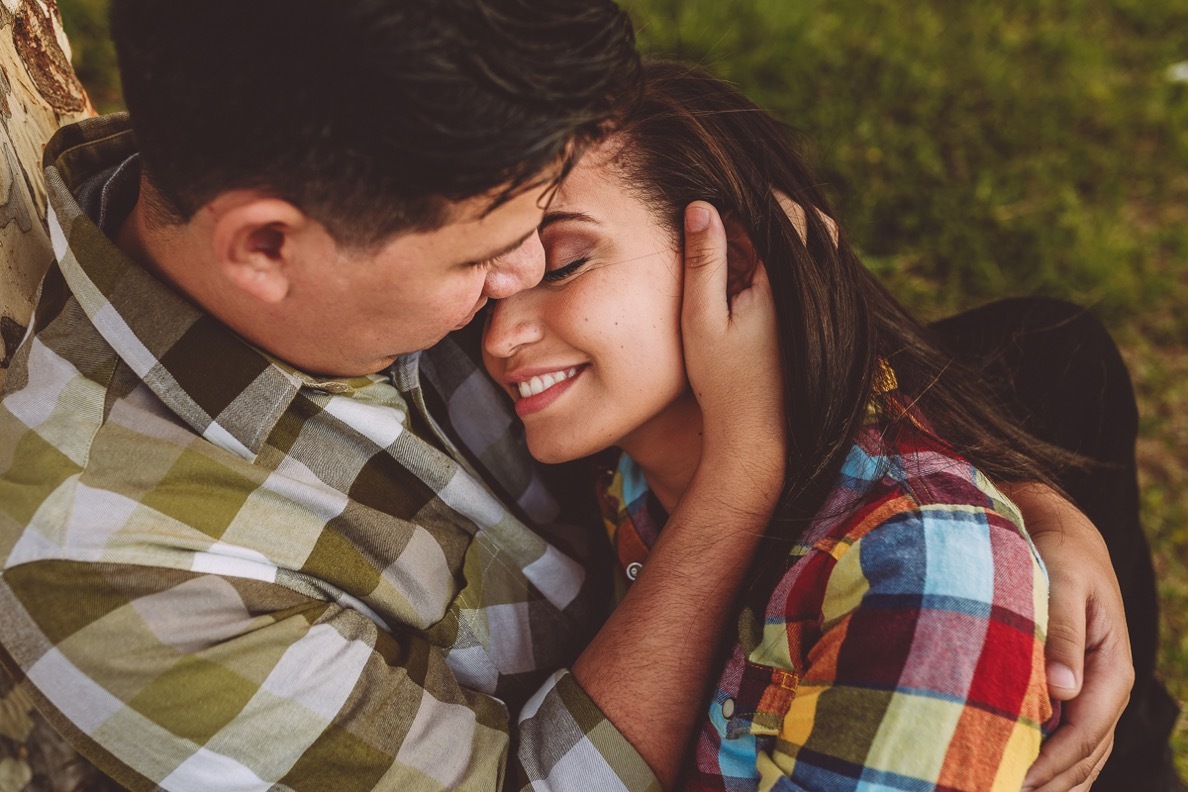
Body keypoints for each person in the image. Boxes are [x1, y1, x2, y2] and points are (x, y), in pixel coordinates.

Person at [0, 2, 1140, 790]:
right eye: (483, 260)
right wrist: (739, 473)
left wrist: (1029, 503)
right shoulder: (114, 566)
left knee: (1049, 362)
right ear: (266, 248)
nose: (509, 297)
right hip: (630, 706)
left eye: (551, 243)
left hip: (696, 563)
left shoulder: (354, 141)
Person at [481, 60, 1177, 790]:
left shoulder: (923, 574)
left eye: (562, 265)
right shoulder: (620, 472)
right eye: (491, 286)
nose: (498, 339)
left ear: (733, 268)